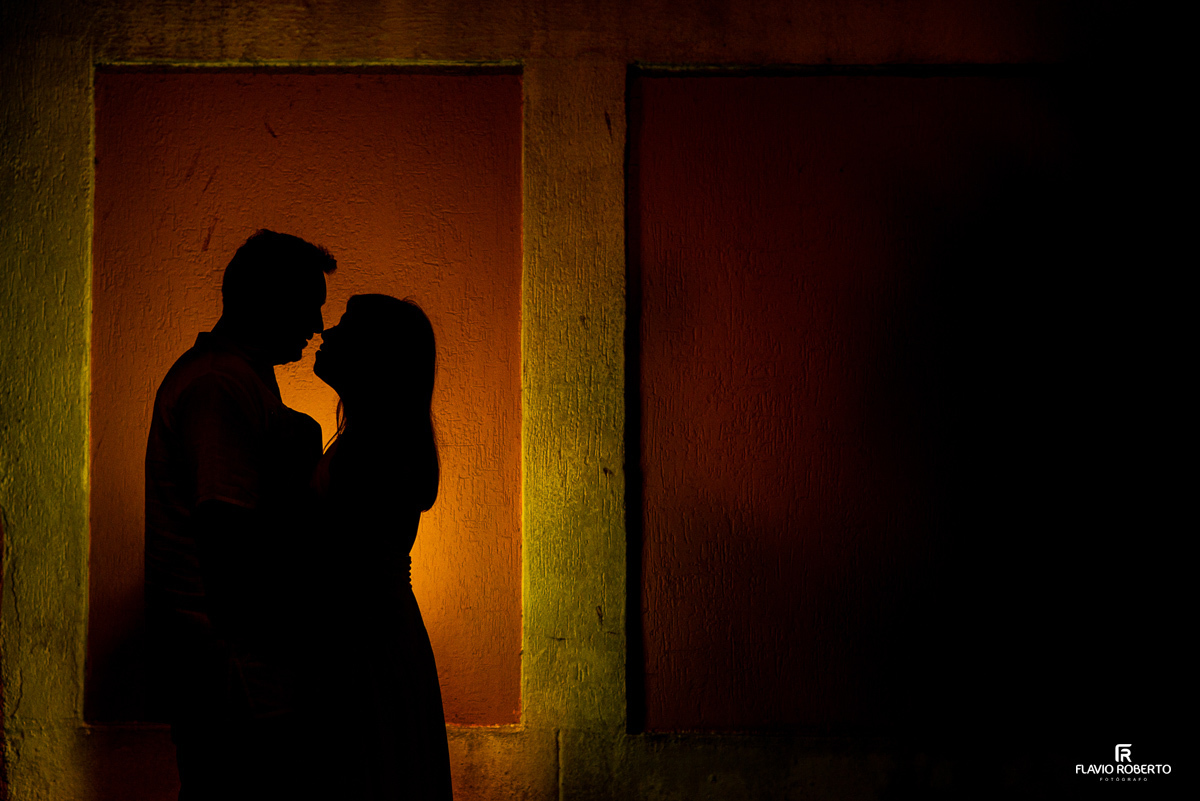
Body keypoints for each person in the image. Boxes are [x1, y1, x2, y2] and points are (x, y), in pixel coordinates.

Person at [144, 230, 335, 800]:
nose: (318, 326)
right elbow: (227, 536)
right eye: (308, 305)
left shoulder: (238, 379)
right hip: (232, 674)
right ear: (267, 300)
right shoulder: (219, 386)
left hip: (238, 669)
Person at [308, 293, 453, 800]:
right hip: (379, 640)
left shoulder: (374, 450)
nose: (327, 332)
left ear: (375, 356)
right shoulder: (379, 440)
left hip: (362, 645)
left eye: (345, 326)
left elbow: (340, 567)